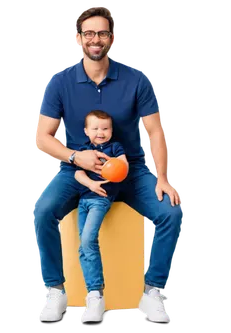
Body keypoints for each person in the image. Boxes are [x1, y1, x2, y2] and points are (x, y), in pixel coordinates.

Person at [33, 5, 184, 326]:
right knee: (43, 211)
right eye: (89, 33)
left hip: (130, 169)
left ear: (112, 38)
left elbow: (155, 131)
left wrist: (163, 178)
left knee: (171, 211)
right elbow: (43, 138)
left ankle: (153, 292)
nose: (96, 39)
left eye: (102, 33)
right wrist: (76, 157)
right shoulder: (60, 83)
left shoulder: (136, 80)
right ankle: (55, 290)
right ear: (79, 39)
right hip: (77, 170)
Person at [73, 110, 128, 324]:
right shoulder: (83, 150)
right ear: (86, 131)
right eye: (95, 128)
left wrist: (109, 165)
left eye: (105, 128)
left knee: (88, 241)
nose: (100, 132)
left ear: (111, 130)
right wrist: (91, 183)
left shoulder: (115, 148)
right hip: (83, 200)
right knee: (82, 247)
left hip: (100, 199)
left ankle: (96, 293)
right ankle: (92, 295)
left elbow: (123, 167)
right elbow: (77, 173)